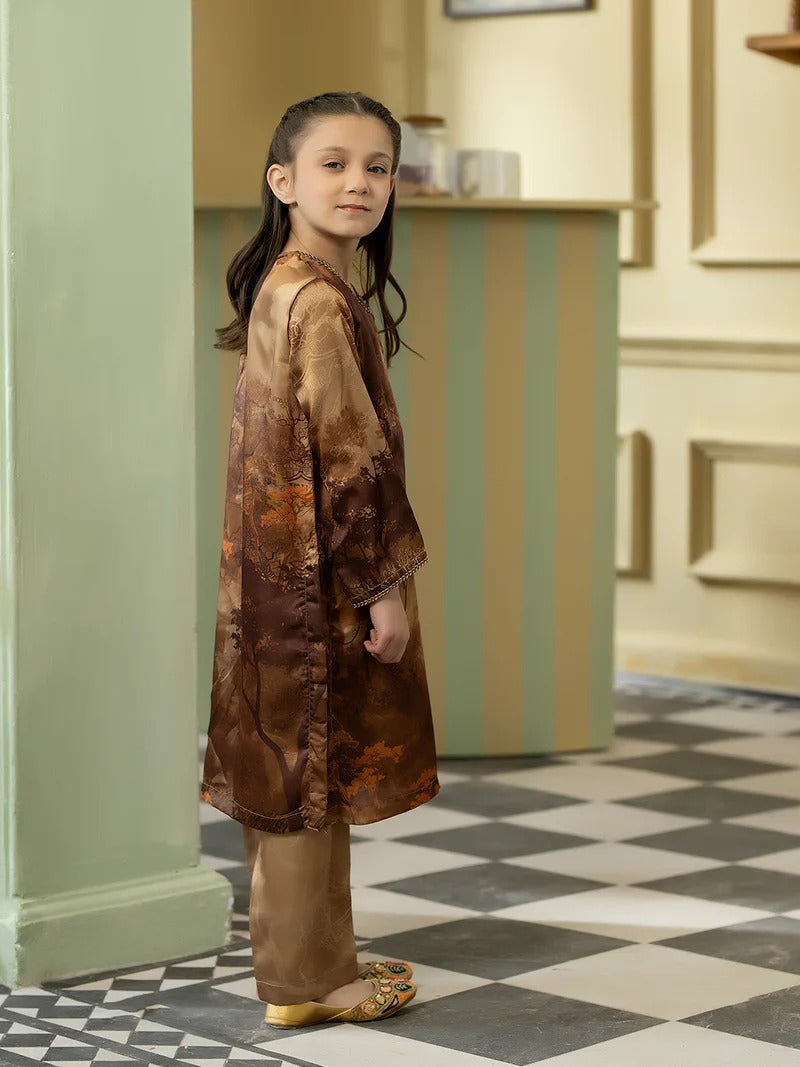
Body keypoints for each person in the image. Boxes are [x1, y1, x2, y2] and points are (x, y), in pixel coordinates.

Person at [200, 91, 440, 1028]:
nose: (360, 183)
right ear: (283, 180)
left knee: (295, 767)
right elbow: (350, 456)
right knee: (308, 774)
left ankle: (314, 962)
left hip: (271, 576)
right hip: (320, 577)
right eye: (334, 163)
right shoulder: (317, 300)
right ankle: (306, 983)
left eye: (377, 167)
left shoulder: (286, 284)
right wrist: (381, 585)